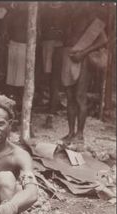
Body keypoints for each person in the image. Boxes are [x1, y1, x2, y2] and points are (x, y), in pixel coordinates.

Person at [61, 4, 108, 143]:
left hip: (82, 59)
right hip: (67, 56)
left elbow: (103, 40)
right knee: (69, 97)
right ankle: (70, 133)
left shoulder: (90, 16)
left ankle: (80, 134)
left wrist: (83, 53)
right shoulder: (68, 15)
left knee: (80, 97)